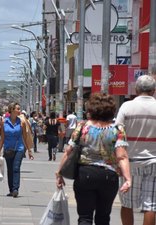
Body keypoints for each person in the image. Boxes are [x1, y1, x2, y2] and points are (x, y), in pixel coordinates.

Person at [56, 93, 131, 225]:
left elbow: (69, 151)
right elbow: (122, 156)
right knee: (103, 216)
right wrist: (128, 179)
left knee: (85, 217)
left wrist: (59, 173)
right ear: (112, 110)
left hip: (85, 173)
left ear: (91, 109)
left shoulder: (83, 127)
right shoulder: (118, 129)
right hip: (109, 175)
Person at [116, 75, 156, 225]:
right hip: (154, 160)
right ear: (153, 91)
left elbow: (118, 133)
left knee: (127, 204)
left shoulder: (126, 107)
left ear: (137, 89)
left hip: (129, 162)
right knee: (151, 205)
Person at [0, 102, 34, 198]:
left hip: (19, 148)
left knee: (16, 168)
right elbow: (2, 138)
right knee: (10, 169)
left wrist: (29, 150)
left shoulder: (22, 122)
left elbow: (25, 137)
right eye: (17, 108)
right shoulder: (4, 122)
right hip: (8, 148)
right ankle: (11, 189)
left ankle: (16, 189)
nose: (19, 110)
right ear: (12, 110)